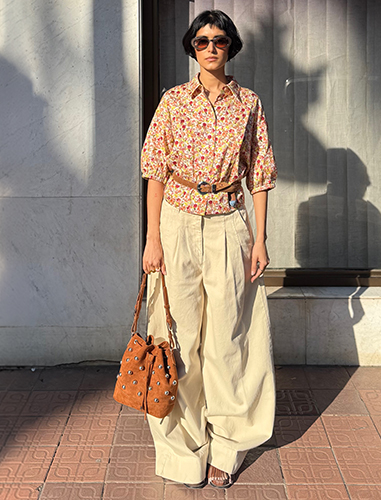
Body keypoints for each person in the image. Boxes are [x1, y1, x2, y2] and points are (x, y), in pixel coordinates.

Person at [141, 9, 276, 489]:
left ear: (231, 46)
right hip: (176, 222)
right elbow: (155, 171)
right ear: (192, 48)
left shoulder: (249, 103)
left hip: (228, 225)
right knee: (176, 340)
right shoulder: (173, 101)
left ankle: (228, 446)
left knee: (228, 341)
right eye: (202, 41)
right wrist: (152, 238)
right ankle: (182, 451)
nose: (211, 47)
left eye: (219, 40)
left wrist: (260, 239)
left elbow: (260, 173)